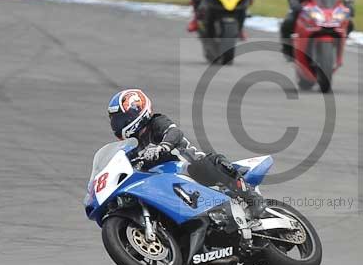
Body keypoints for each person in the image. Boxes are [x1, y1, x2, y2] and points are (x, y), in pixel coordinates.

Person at [107, 88, 264, 220]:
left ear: (137, 111)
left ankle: (252, 198)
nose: (118, 124)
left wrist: (163, 147)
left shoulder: (156, 122)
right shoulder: (134, 147)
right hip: (167, 183)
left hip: (191, 169)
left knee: (213, 161)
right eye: (115, 121)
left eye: (122, 119)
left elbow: (174, 132)